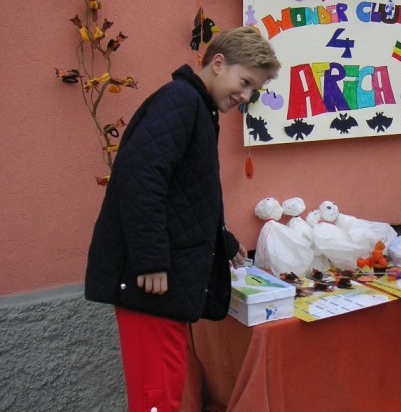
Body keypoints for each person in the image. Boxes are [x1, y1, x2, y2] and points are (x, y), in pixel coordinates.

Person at [84, 27, 281, 412]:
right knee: (155, 399)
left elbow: (186, 195)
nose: (245, 96)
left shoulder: (197, 107)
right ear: (218, 63)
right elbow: (140, 179)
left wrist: (221, 241)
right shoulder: (180, 101)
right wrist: (151, 258)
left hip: (166, 284)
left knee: (164, 394)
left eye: (253, 90)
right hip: (152, 284)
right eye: (244, 83)